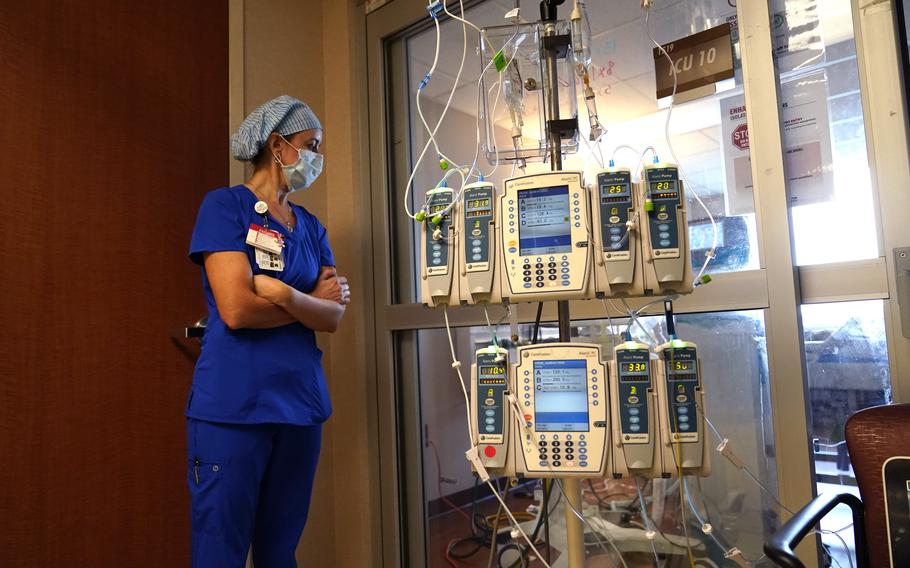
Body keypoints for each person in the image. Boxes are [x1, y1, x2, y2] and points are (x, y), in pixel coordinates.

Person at [185, 95, 350, 567]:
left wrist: (281, 296)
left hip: (299, 406)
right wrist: (310, 304)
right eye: (310, 145)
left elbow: (334, 317)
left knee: (280, 552)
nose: (317, 157)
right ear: (277, 145)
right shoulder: (225, 207)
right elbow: (236, 309)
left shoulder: (311, 227)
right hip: (234, 408)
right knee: (221, 550)